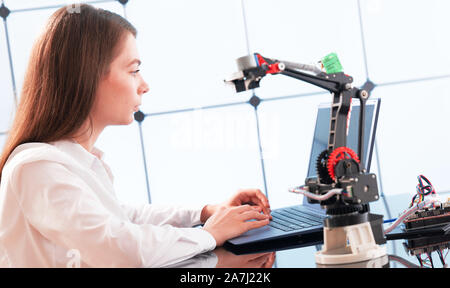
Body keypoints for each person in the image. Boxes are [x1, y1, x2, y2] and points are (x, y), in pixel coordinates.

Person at [0, 4, 271, 268]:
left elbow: (124, 219)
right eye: (133, 70)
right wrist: (209, 234)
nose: (144, 86)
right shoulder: (37, 167)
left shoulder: (70, 161)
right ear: (88, 76)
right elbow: (118, 249)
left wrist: (205, 213)